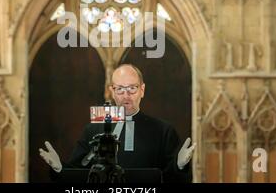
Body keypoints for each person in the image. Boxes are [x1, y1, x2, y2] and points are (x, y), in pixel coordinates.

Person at [39, 64, 196, 182]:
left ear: (142, 90)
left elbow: (169, 177)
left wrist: (179, 166)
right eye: (120, 89)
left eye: (132, 89)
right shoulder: (93, 129)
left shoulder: (163, 131)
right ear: (112, 91)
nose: (126, 95)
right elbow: (77, 173)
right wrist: (59, 168)